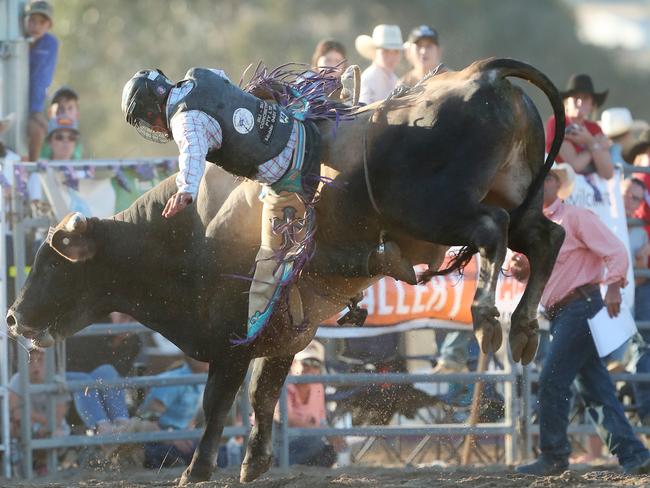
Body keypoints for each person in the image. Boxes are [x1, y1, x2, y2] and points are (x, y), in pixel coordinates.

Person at [121, 67, 415, 342]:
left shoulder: (184, 121)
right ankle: (343, 105)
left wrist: (185, 190)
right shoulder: (200, 75)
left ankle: (372, 261)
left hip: (290, 172)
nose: (153, 128)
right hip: (302, 128)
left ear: (151, 110)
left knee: (274, 262)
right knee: (277, 95)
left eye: (147, 120)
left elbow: (192, 153)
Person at [515, 163, 650, 476]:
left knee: (552, 378)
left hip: (581, 307)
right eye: (538, 179)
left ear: (556, 184)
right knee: (595, 389)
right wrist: (524, 271)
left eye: (547, 178)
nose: (541, 184)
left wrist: (615, 284)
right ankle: (634, 454)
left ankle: (553, 455)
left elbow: (615, 251)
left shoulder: (575, 217)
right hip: (567, 312)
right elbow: (544, 274)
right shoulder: (536, 228)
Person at [273, 340, 341, 467]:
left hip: (299, 442)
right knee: (315, 441)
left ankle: (289, 468)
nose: (310, 368)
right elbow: (281, 416)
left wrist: (329, 434)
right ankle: (280, 467)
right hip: (275, 441)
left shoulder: (317, 387)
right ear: (292, 364)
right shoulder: (280, 382)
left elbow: (319, 420)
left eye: (316, 364)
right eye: (306, 362)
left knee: (328, 452)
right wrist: (323, 432)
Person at [137, 356, 209, 469]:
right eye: (201, 354)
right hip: (157, 439)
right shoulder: (175, 379)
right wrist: (172, 438)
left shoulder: (200, 380)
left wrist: (186, 435)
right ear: (190, 356)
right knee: (163, 455)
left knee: (210, 452)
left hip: (179, 437)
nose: (207, 357)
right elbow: (149, 419)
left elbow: (190, 420)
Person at [546, 74, 613, 180]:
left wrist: (590, 142)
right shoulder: (557, 122)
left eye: (585, 98)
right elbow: (574, 166)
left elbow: (608, 173)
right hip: (562, 189)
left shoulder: (595, 128)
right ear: (567, 102)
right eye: (576, 97)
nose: (580, 102)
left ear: (592, 104)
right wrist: (594, 144)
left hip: (589, 192)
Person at [24, 0, 58, 162]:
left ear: (49, 25)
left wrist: (36, 111)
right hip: (9, 99)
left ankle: (31, 172)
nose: (36, 26)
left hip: (34, 104)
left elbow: (41, 78)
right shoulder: (17, 39)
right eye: (32, 20)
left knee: (38, 131)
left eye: (42, 22)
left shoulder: (49, 44)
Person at [355, 24, 404, 104]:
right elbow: (362, 112)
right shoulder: (368, 79)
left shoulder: (395, 79)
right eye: (386, 51)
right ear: (375, 51)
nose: (391, 57)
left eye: (396, 51)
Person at [41, 86, 83, 160]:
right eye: (59, 137)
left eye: (72, 138)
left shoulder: (82, 169)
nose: (65, 113)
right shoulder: (39, 138)